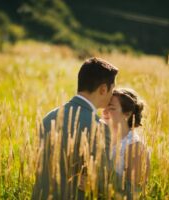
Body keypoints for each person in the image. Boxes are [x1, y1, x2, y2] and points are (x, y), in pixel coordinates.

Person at [32, 57, 119, 200]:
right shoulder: (98, 127)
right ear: (103, 89)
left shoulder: (49, 117)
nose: (112, 96)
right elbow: (103, 181)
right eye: (112, 89)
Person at [103, 88, 150, 199]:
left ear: (127, 114)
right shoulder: (101, 137)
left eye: (111, 108)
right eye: (104, 106)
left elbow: (135, 193)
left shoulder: (135, 147)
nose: (104, 111)